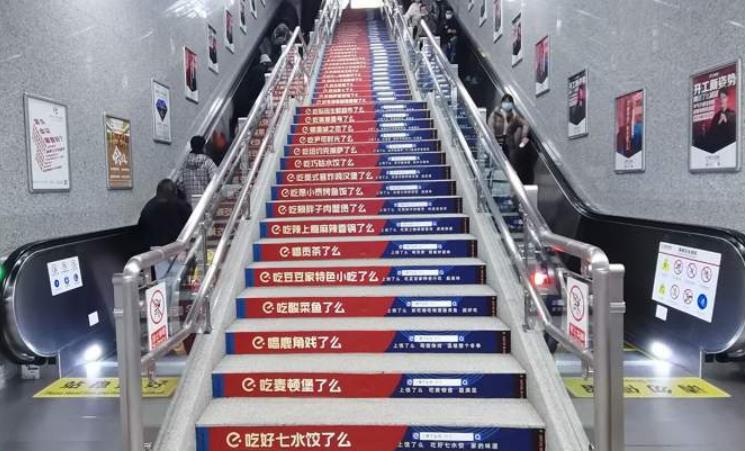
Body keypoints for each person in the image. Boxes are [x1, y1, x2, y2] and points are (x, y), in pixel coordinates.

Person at [488, 94, 536, 184]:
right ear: (502, 103)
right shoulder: (495, 114)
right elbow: (490, 127)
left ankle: (509, 183)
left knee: (510, 165)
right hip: (497, 142)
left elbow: (525, 124)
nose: (507, 104)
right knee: (496, 163)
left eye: (509, 102)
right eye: (505, 102)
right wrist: (492, 138)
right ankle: (493, 180)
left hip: (508, 144)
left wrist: (524, 135)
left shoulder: (514, 117)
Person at [178, 135, 218, 204]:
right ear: (203, 147)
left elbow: (180, 185)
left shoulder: (184, 164)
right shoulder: (208, 162)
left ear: (191, 146)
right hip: (205, 202)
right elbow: (215, 180)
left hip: (189, 202)